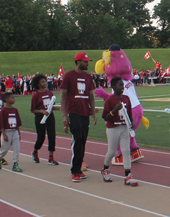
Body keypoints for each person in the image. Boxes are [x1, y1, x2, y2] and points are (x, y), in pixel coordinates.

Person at [61, 52, 97, 182]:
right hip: (73, 112)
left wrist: (92, 112)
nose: (87, 64)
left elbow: (91, 95)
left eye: (88, 61)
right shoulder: (69, 76)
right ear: (78, 62)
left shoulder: (88, 77)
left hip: (85, 113)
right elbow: (63, 95)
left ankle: (78, 169)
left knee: (83, 141)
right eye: (85, 61)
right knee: (78, 139)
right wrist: (65, 115)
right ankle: (74, 170)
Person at [100, 77, 139, 186]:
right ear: (113, 87)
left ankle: (128, 175)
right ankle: (105, 169)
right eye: (119, 85)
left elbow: (129, 113)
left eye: (122, 85)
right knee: (111, 151)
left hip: (124, 128)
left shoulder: (126, 98)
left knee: (126, 151)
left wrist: (132, 122)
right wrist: (114, 110)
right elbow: (105, 117)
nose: (122, 87)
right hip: (113, 128)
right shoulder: (110, 100)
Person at [30, 74, 59, 165]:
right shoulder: (36, 95)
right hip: (40, 118)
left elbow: (51, 107)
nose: (44, 83)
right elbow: (32, 110)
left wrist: (60, 108)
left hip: (50, 117)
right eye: (42, 82)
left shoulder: (50, 93)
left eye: (45, 81)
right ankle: (35, 151)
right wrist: (42, 111)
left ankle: (51, 157)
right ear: (38, 85)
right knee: (41, 138)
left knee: (52, 136)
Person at [0, 92, 22, 172]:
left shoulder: (15, 110)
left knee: (16, 148)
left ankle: (15, 164)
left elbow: (17, 123)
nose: (13, 99)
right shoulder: (3, 111)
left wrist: (19, 133)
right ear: (6, 100)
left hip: (15, 131)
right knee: (4, 149)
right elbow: (1, 124)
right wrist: (4, 134)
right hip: (7, 132)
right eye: (12, 98)